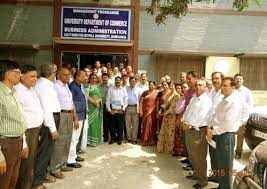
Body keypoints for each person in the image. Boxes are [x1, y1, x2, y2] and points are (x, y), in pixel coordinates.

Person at [207, 77, 249, 189]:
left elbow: (228, 123)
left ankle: (225, 187)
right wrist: (211, 128)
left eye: (225, 85)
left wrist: (213, 131)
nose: (222, 88)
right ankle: (221, 185)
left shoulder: (234, 101)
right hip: (218, 133)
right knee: (220, 162)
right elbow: (216, 116)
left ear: (233, 87)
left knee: (225, 165)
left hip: (225, 134)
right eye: (222, 85)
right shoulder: (223, 98)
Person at [15, 65, 44, 189]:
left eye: (36, 76)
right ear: (22, 76)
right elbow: (18, 118)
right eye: (32, 76)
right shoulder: (17, 91)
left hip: (35, 131)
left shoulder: (32, 90)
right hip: (26, 132)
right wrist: (24, 143)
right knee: (25, 165)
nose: (35, 79)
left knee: (31, 162)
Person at [0, 60, 27, 189]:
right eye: (16, 72)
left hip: (17, 142)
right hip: (6, 145)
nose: (20, 75)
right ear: (6, 73)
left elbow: (20, 119)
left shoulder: (14, 92)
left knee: (12, 181)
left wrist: (23, 143)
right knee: (4, 182)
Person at [33, 64, 61, 189]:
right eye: (55, 71)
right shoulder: (43, 86)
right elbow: (46, 109)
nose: (56, 74)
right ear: (51, 73)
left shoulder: (47, 84)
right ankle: (38, 181)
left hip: (52, 119)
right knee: (44, 152)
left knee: (47, 151)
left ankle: (43, 174)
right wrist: (53, 129)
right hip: (49, 121)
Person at [181, 79, 212, 189]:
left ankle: (203, 181)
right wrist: (183, 121)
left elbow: (203, 117)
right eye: (197, 85)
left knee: (199, 158)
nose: (198, 87)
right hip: (189, 130)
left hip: (198, 131)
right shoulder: (194, 98)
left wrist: (189, 125)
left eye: (201, 85)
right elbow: (187, 111)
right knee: (192, 156)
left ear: (205, 87)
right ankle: (196, 174)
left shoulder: (206, 101)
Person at [50, 68, 79, 179]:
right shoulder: (55, 86)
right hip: (61, 116)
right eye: (64, 75)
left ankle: (63, 164)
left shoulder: (66, 86)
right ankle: (55, 168)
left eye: (68, 75)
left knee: (67, 140)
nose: (67, 77)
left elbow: (71, 103)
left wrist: (75, 117)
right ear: (58, 75)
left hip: (69, 115)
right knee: (59, 143)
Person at [67, 71, 87, 168]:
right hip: (76, 116)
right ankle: (70, 160)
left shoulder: (79, 86)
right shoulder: (72, 87)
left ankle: (74, 156)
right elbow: (71, 103)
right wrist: (75, 118)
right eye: (84, 76)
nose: (86, 78)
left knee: (76, 138)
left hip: (81, 115)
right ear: (78, 77)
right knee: (73, 139)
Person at [180, 71, 199, 169]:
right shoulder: (189, 90)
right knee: (186, 142)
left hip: (193, 122)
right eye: (187, 78)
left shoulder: (197, 90)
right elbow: (185, 105)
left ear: (196, 78)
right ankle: (188, 159)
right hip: (186, 118)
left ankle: (193, 164)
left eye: (189, 78)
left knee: (193, 146)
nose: (187, 80)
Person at [208, 72, 224, 183]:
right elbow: (210, 110)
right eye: (213, 78)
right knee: (213, 153)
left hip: (222, 129)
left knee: (221, 156)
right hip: (212, 128)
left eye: (217, 78)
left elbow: (244, 109)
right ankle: (215, 175)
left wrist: (240, 123)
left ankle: (222, 180)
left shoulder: (226, 92)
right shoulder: (212, 91)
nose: (214, 80)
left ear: (222, 79)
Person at [234, 73, 254, 159]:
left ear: (243, 81)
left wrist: (244, 119)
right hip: (231, 116)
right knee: (229, 135)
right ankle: (228, 151)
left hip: (240, 117)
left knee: (240, 135)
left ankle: (238, 152)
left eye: (240, 79)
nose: (238, 81)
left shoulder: (246, 91)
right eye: (237, 79)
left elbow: (250, 105)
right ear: (234, 80)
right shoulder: (231, 89)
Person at [157, 81, 180, 154]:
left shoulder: (176, 95)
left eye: (172, 86)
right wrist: (161, 110)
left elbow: (173, 106)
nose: (171, 87)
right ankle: (162, 147)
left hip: (172, 116)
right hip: (166, 116)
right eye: (170, 86)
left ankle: (169, 149)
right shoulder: (167, 95)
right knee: (164, 130)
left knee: (170, 132)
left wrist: (166, 112)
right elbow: (165, 104)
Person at [106, 77, 128, 145]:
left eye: (119, 80)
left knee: (120, 126)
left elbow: (126, 100)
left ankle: (119, 139)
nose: (118, 81)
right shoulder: (111, 89)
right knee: (112, 126)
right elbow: (108, 100)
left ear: (121, 81)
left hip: (120, 110)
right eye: (116, 80)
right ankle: (112, 138)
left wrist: (123, 109)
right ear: (114, 81)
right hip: (113, 110)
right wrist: (109, 110)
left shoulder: (123, 89)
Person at [140, 81, 158, 146]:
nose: (151, 86)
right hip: (145, 112)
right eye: (150, 85)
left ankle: (151, 140)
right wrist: (140, 110)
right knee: (145, 126)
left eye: (152, 85)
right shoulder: (145, 92)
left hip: (153, 111)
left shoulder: (157, 92)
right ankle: (145, 141)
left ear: (154, 86)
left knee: (152, 126)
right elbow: (141, 102)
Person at [173, 82, 189, 157]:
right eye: (182, 88)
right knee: (178, 136)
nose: (183, 89)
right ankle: (178, 152)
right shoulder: (181, 98)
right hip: (178, 117)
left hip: (184, 119)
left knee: (184, 138)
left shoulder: (189, 99)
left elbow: (185, 110)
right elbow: (177, 109)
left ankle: (184, 154)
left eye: (185, 87)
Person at [125, 77, 142, 144]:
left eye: (134, 81)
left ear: (136, 82)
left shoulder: (139, 90)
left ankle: (134, 139)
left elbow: (141, 100)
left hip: (135, 108)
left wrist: (140, 109)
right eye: (131, 81)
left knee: (135, 124)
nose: (132, 82)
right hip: (128, 108)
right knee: (127, 124)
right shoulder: (126, 89)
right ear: (129, 82)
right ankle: (128, 138)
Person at [87, 74, 102, 146]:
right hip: (90, 106)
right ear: (89, 79)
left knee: (96, 123)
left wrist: (98, 101)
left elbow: (100, 97)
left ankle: (95, 140)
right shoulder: (87, 86)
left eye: (95, 78)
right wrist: (94, 102)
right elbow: (86, 96)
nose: (94, 79)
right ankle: (88, 141)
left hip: (97, 108)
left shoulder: (98, 87)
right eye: (92, 78)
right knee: (90, 123)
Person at [98, 73, 110, 142]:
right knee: (100, 121)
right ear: (102, 78)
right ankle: (100, 135)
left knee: (107, 122)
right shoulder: (99, 86)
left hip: (107, 105)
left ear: (108, 78)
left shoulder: (110, 86)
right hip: (99, 105)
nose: (105, 78)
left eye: (106, 77)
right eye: (104, 77)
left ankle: (106, 136)